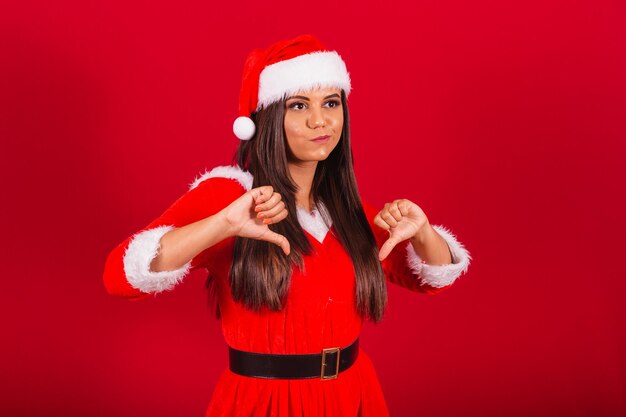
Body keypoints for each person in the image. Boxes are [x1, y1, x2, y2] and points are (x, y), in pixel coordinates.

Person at [103, 34, 471, 417]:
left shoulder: (343, 209)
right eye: (298, 105)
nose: (320, 120)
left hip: (353, 394)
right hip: (267, 403)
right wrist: (222, 224)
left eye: (331, 102)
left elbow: (428, 277)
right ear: (268, 117)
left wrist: (424, 232)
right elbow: (120, 276)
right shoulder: (233, 195)